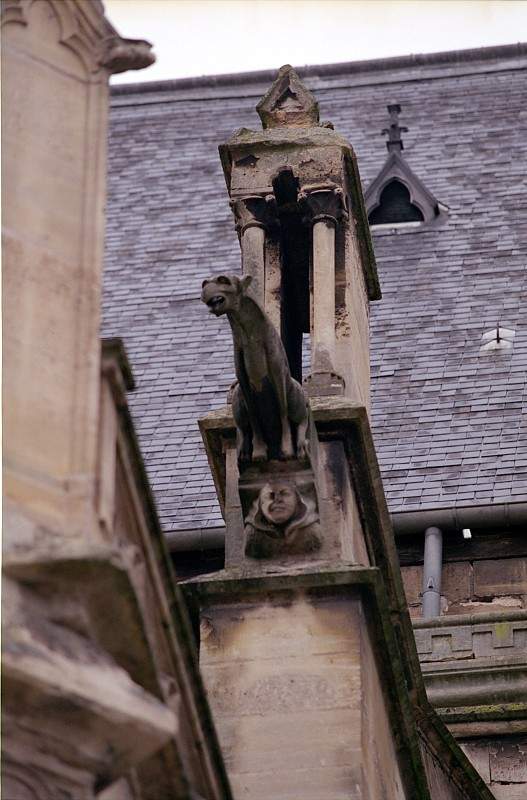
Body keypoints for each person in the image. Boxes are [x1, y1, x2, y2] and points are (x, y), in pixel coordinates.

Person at [244, 479, 321, 559]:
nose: (277, 499)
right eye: (270, 495)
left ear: (298, 501)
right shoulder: (253, 534)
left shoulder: (312, 531)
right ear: (259, 505)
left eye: (285, 493)